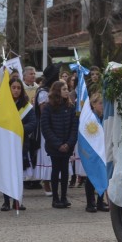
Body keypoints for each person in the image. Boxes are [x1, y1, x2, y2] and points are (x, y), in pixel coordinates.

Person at [0, 77, 37, 212]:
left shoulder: (26, 106)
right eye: (13, 87)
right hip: (6, 143)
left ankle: (17, 200)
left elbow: (32, 123)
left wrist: (19, 129)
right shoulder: (2, 104)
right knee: (6, 173)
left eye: (18, 88)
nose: (16, 90)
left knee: (18, 173)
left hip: (21, 143)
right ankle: (5, 201)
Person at [41, 80, 79, 209]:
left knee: (65, 171)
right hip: (54, 147)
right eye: (64, 89)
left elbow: (74, 127)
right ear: (57, 91)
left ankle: (64, 197)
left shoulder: (71, 107)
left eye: (67, 89)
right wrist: (58, 144)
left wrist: (69, 143)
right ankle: (55, 198)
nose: (67, 91)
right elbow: (46, 128)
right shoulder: (48, 107)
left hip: (67, 145)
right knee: (56, 170)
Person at [33, 63, 60, 195]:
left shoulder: (54, 89)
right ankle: (47, 182)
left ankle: (54, 181)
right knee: (46, 154)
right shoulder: (43, 92)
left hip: (57, 126)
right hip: (47, 127)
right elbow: (45, 112)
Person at [84, 92, 109, 213]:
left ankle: (100, 201)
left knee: (102, 176)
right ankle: (90, 202)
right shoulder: (90, 118)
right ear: (93, 104)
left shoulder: (104, 116)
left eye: (103, 103)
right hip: (93, 151)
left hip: (102, 150)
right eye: (100, 103)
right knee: (91, 177)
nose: (102, 105)